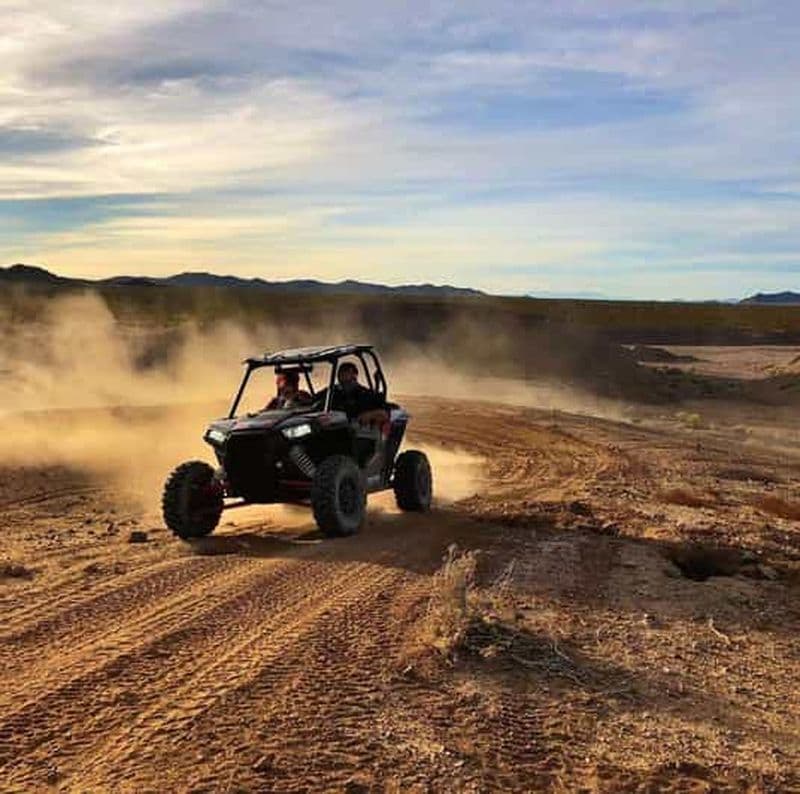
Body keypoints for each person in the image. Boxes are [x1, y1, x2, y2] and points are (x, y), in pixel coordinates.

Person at [317, 361, 388, 423]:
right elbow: (316, 399)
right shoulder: (332, 391)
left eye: (346, 371)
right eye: (341, 372)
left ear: (355, 375)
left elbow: (382, 412)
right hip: (329, 424)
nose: (343, 375)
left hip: (353, 427)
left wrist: (368, 415)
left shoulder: (364, 394)